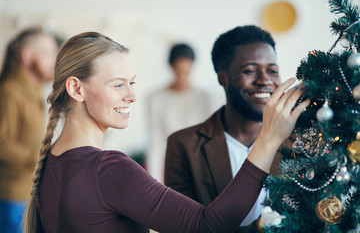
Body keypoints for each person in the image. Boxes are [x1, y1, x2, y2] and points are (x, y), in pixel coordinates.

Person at [23, 32, 309, 233]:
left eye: (132, 82)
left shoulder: (53, 161)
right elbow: (207, 226)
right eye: (118, 85)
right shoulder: (108, 169)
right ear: (76, 89)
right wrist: (269, 138)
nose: (132, 95)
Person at [164, 25, 292, 232]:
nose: (265, 80)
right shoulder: (183, 145)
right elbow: (185, 228)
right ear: (222, 78)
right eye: (250, 70)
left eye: (272, 70)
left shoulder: (300, 140)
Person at [0, 27, 58, 233]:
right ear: (26, 55)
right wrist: (40, 158)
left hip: (26, 194)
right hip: (11, 197)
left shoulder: (31, 89)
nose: (54, 60)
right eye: (48, 53)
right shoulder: (9, 91)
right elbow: (2, 144)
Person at [147, 43, 211, 182]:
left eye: (186, 72)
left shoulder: (204, 98)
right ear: (171, 67)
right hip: (168, 165)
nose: (182, 77)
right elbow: (155, 141)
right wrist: (155, 180)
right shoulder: (156, 98)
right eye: (178, 71)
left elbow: (207, 139)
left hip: (197, 166)